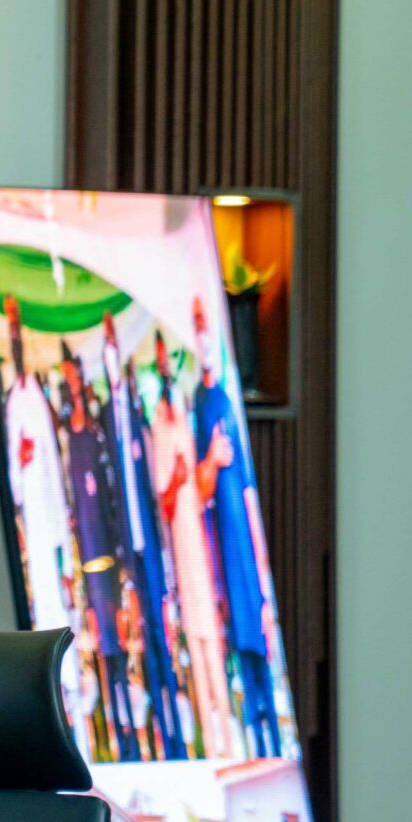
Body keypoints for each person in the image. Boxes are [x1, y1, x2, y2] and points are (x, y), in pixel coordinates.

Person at [191, 300, 283, 759]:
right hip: (222, 560)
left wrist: (263, 569)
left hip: (246, 558)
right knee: (242, 660)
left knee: (261, 652)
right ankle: (257, 747)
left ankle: (275, 745)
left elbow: (247, 488)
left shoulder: (228, 398)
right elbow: (200, 487)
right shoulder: (198, 404)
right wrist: (210, 457)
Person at [104, 319, 188, 757]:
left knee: (159, 634)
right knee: (135, 636)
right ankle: (152, 733)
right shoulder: (106, 415)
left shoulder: (140, 416)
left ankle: (175, 732)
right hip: (125, 551)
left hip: (152, 545)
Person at [150, 333, 234, 761]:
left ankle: (228, 736)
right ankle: (211, 742)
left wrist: (201, 470)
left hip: (200, 543)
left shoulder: (184, 416)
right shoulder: (157, 428)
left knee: (212, 635)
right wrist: (179, 478)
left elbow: (202, 489)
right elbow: (164, 501)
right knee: (197, 640)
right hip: (181, 547)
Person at [62, 352, 141, 762]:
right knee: (101, 649)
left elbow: (109, 497)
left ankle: (128, 727)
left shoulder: (94, 437)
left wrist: (122, 557)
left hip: (107, 560)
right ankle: (113, 727)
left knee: (118, 645)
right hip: (87, 565)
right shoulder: (69, 443)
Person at [0, 298, 78, 633]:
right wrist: (20, 460)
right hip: (32, 508)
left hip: (49, 501)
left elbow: (50, 452)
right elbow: (14, 477)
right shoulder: (13, 401)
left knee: (60, 581)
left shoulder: (36, 397)